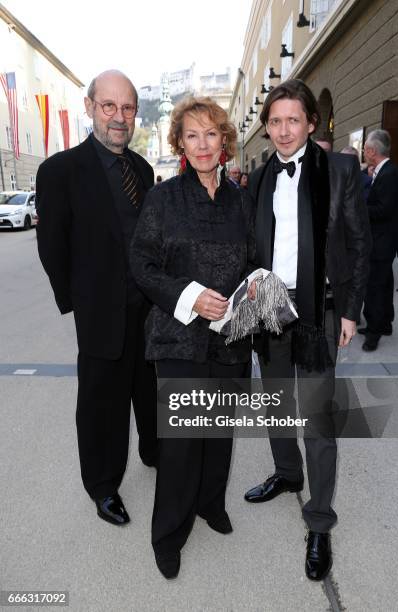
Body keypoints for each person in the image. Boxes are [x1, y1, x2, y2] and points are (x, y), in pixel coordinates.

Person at [244, 79, 371, 581]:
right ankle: (286, 473)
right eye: (274, 121)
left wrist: (350, 311)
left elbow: (359, 245)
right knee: (276, 404)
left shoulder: (339, 170)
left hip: (319, 311)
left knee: (317, 419)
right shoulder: (257, 177)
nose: (282, 130)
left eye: (292, 120)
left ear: (311, 123)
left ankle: (318, 520)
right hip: (271, 308)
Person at [130, 96, 255, 579]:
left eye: (211, 134)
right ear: (179, 142)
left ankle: (210, 504)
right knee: (182, 441)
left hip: (229, 336)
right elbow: (142, 264)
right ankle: (169, 533)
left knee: (219, 432)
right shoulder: (163, 199)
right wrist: (190, 296)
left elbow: (253, 260)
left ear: (224, 141)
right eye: (192, 135)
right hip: (178, 335)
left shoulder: (241, 200)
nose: (203, 145)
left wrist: (250, 293)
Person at [36, 70, 157, 526]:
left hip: (148, 310)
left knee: (148, 390)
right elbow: (52, 246)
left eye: (127, 107)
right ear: (89, 108)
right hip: (100, 311)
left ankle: (154, 451)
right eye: (109, 106)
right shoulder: (60, 171)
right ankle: (103, 486)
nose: (119, 117)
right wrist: (78, 302)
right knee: (101, 403)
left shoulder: (143, 170)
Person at [359, 129, 398, 350]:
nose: (364, 152)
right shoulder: (388, 171)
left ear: (371, 150)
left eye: (365, 149)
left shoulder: (388, 174)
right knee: (385, 284)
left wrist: (359, 207)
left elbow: (383, 209)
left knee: (375, 287)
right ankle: (385, 323)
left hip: (381, 241)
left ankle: (374, 331)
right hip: (384, 240)